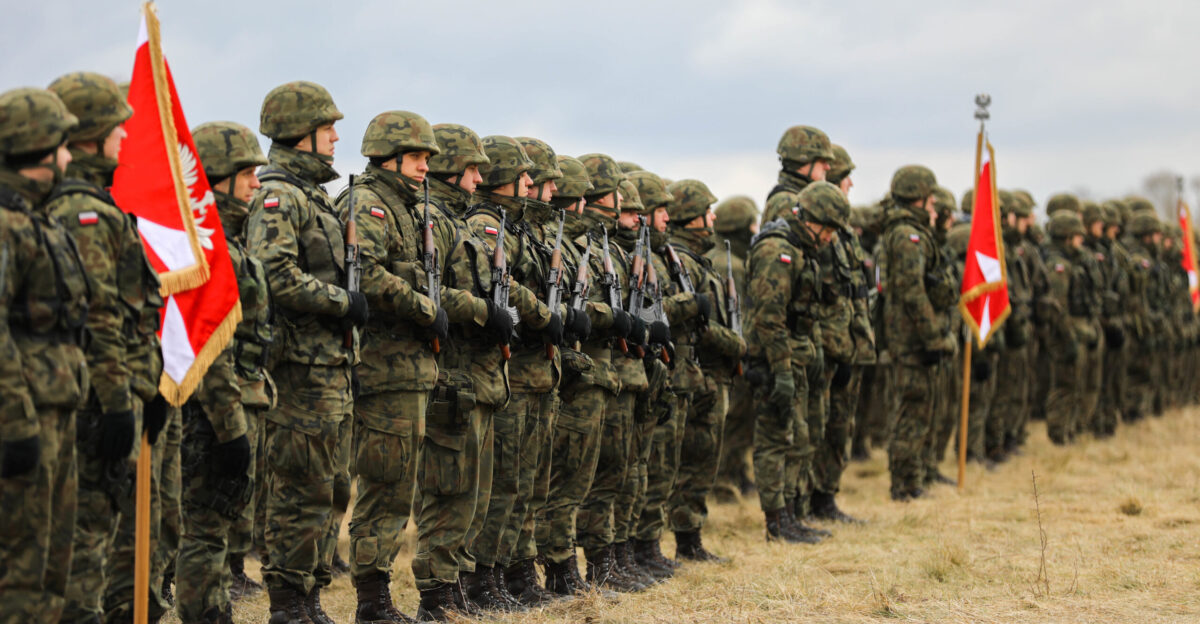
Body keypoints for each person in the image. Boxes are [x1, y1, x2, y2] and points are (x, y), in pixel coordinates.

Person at [45, 72, 171, 623]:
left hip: (105, 394)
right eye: (117, 129)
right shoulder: (84, 214)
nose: (126, 139)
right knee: (85, 541)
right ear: (91, 136)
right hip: (95, 403)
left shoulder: (97, 204)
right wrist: (119, 399)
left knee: (98, 535)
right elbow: (99, 317)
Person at [245, 80, 367, 624]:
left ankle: (311, 598)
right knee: (300, 492)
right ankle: (289, 605)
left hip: (329, 369)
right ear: (301, 134)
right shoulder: (280, 195)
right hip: (298, 370)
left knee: (330, 489)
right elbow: (274, 275)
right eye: (328, 128)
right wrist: (345, 301)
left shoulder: (312, 194)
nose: (337, 137)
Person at [336, 110, 447, 622]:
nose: (426, 167)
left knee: (399, 488)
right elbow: (372, 277)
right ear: (390, 156)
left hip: (409, 372)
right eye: (419, 157)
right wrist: (426, 308)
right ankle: (371, 602)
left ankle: (377, 596)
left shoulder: (404, 207)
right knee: (383, 487)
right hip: (383, 371)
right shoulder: (369, 204)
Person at [411, 122, 515, 620]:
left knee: (472, 491)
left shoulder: (457, 222)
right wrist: (483, 310)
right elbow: (434, 291)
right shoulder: (432, 219)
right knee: (447, 489)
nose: (477, 179)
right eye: (471, 168)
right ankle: (435, 593)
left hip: (476, 378)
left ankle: (452, 586)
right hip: (453, 374)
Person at [0, 87, 90, 624]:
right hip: (24, 419)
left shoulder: (36, 218)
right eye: (62, 144)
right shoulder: (7, 225)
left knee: (54, 560)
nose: (68, 156)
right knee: (20, 567)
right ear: (40, 147)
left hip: (56, 410)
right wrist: (14, 425)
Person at [461, 135, 556, 610]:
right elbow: (503, 285)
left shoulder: (517, 228)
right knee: (503, 484)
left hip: (533, 373)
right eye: (525, 176)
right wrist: (542, 314)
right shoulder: (487, 224)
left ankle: (511, 571)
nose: (536, 185)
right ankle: (485, 576)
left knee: (525, 483)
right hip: (512, 372)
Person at [745, 182, 846, 543]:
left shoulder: (801, 250)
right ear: (812, 221)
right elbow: (769, 318)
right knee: (775, 438)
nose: (831, 238)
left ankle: (789, 514)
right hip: (772, 359)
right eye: (829, 229)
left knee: (798, 437)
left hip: (791, 357)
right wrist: (783, 371)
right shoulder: (778, 251)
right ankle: (776, 522)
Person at [664, 179, 746, 561]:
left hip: (711, 377)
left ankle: (692, 537)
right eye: (706, 211)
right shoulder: (680, 261)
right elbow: (695, 325)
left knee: (704, 464)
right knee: (691, 464)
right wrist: (735, 344)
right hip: (697, 375)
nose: (712, 218)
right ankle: (685, 540)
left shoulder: (699, 261)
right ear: (691, 217)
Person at [880, 165, 956, 501]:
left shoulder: (916, 232)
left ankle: (915, 478)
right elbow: (912, 291)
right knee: (912, 410)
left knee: (923, 408)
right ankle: (905, 485)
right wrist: (933, 337)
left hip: (916, 338)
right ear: (918, 196)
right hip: (912, 340)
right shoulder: (906, 236)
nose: (934, 202)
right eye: (930, 196)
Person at [709, 195, 759, 502]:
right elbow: (737, 314)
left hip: (735, 350)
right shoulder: (730, 264)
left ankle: (737, 472)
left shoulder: (732, 260)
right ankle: (726, 477)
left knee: (739, 418)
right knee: (734, 417)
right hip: (732, 352)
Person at [1041, 211, 1100, 445]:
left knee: (1077, 384)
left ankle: (1069, 430)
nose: (1081, 241)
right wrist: (1069, 339)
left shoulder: (1075, 262)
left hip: (1077, 330)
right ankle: (1058, 434)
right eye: (1077, 236)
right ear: (1066, 237)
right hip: (1065, 333)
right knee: (1064, 385)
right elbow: (1058, 307)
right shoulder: (1059, 265)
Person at [761, 126, 833, 224]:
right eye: (822, 161)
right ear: (803, 160)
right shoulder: (788, 203)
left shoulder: (798, 197)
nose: (827, 167)